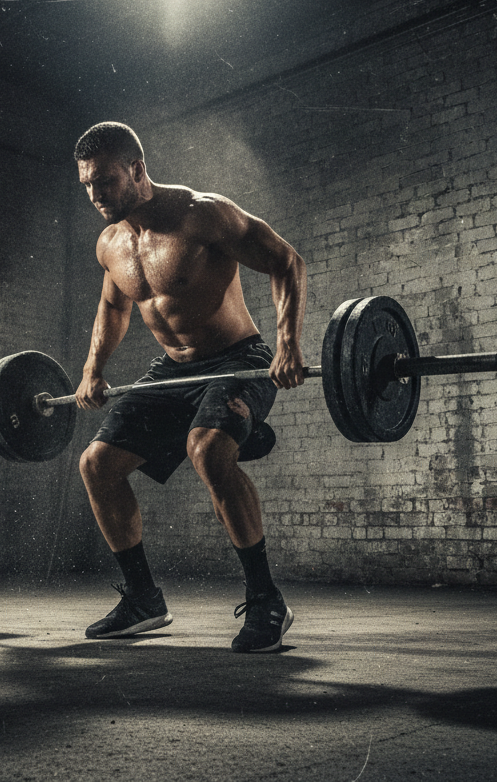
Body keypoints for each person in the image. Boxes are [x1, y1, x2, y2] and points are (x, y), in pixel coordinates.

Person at [72, 122, 306, 653]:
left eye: (105, 181)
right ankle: (142, 600)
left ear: (136, 169)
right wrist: (93, 370)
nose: (96, 195)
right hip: (173, 367)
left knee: (207, 450)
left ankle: (267, 599)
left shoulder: (203, 214)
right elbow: (113, 306)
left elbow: (286, 261)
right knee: (97, 464)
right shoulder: (110, 243)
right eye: (87, 185)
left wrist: (289, 344)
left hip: (238, 358)